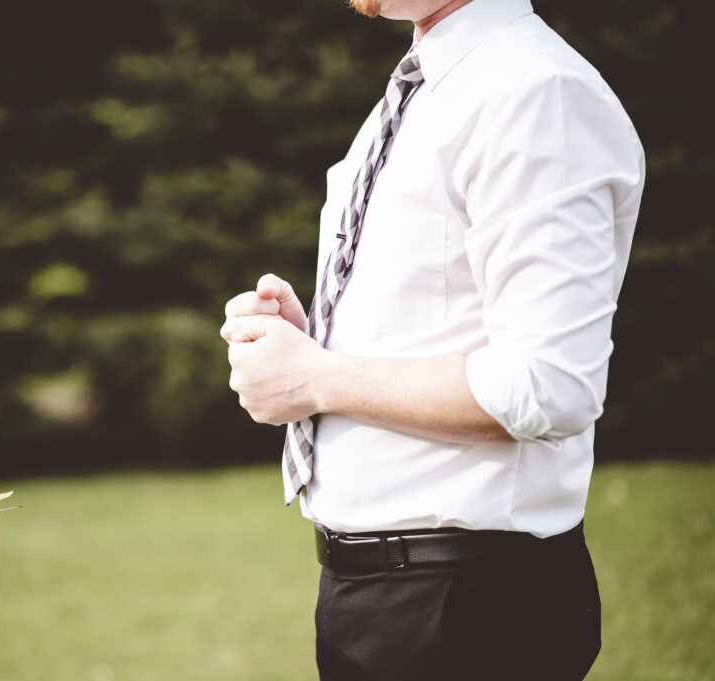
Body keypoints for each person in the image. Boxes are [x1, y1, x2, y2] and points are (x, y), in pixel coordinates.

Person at [220, 0, 644, 679]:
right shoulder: (433, 84)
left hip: (466, 611)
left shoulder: (536, 94)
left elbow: (548, 383)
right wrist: (310, 345)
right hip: (384, 602)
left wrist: (319, 378)